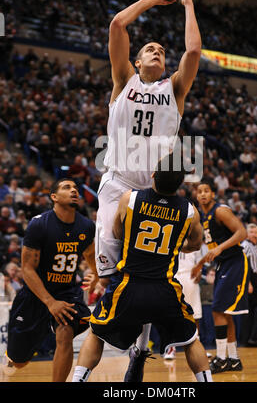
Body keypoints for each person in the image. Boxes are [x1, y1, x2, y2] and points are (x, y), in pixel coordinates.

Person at [95, 0, 202, 380]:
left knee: (148, 278)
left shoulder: (174, 89)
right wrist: (153, 0)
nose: (157, 50)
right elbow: (118, 24)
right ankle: (119, 339)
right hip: (118, 183)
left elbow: (192, 53)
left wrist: (189, 4)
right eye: (150, 49)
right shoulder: (123, 81)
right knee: (112, 274)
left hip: (154, 193)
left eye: (161, 48)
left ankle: (140, 349)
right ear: (136, 61)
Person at [72, 154, 213, 383]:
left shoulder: (130, 199)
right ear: (180, 185)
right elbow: (196, 244)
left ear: (153, 175)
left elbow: (118, 234)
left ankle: (78, 380)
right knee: (191, 339)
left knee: (96, 332)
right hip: (164, 288)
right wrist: (174, 245)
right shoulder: (189, 211)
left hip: (129, 285)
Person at [1, 178, 98, 382]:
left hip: (66, 292)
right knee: (19, 361)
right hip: (35, 294)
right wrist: (50, 302)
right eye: (66, 187)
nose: (73, 190)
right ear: (53, 197)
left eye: (75, 188)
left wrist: (97, 275)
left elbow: (90, 254)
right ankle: (17, 354)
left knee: (65, 333)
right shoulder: (39, 225)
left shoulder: (87, 226)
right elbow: (27, 269)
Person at [191, 178, 248, 374]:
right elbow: (209, 248)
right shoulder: (201, 216)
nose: (203, 194)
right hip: (223, 263)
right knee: (224, 313)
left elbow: (242, 233)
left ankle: (221, 358)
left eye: (207, 190)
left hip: (235, 261)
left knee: (217, 310)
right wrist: (199, 264)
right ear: (196, 195)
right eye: (200, 191)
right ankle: (234, 359)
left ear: (213, 194)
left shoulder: (220, 211)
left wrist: (220, 248)